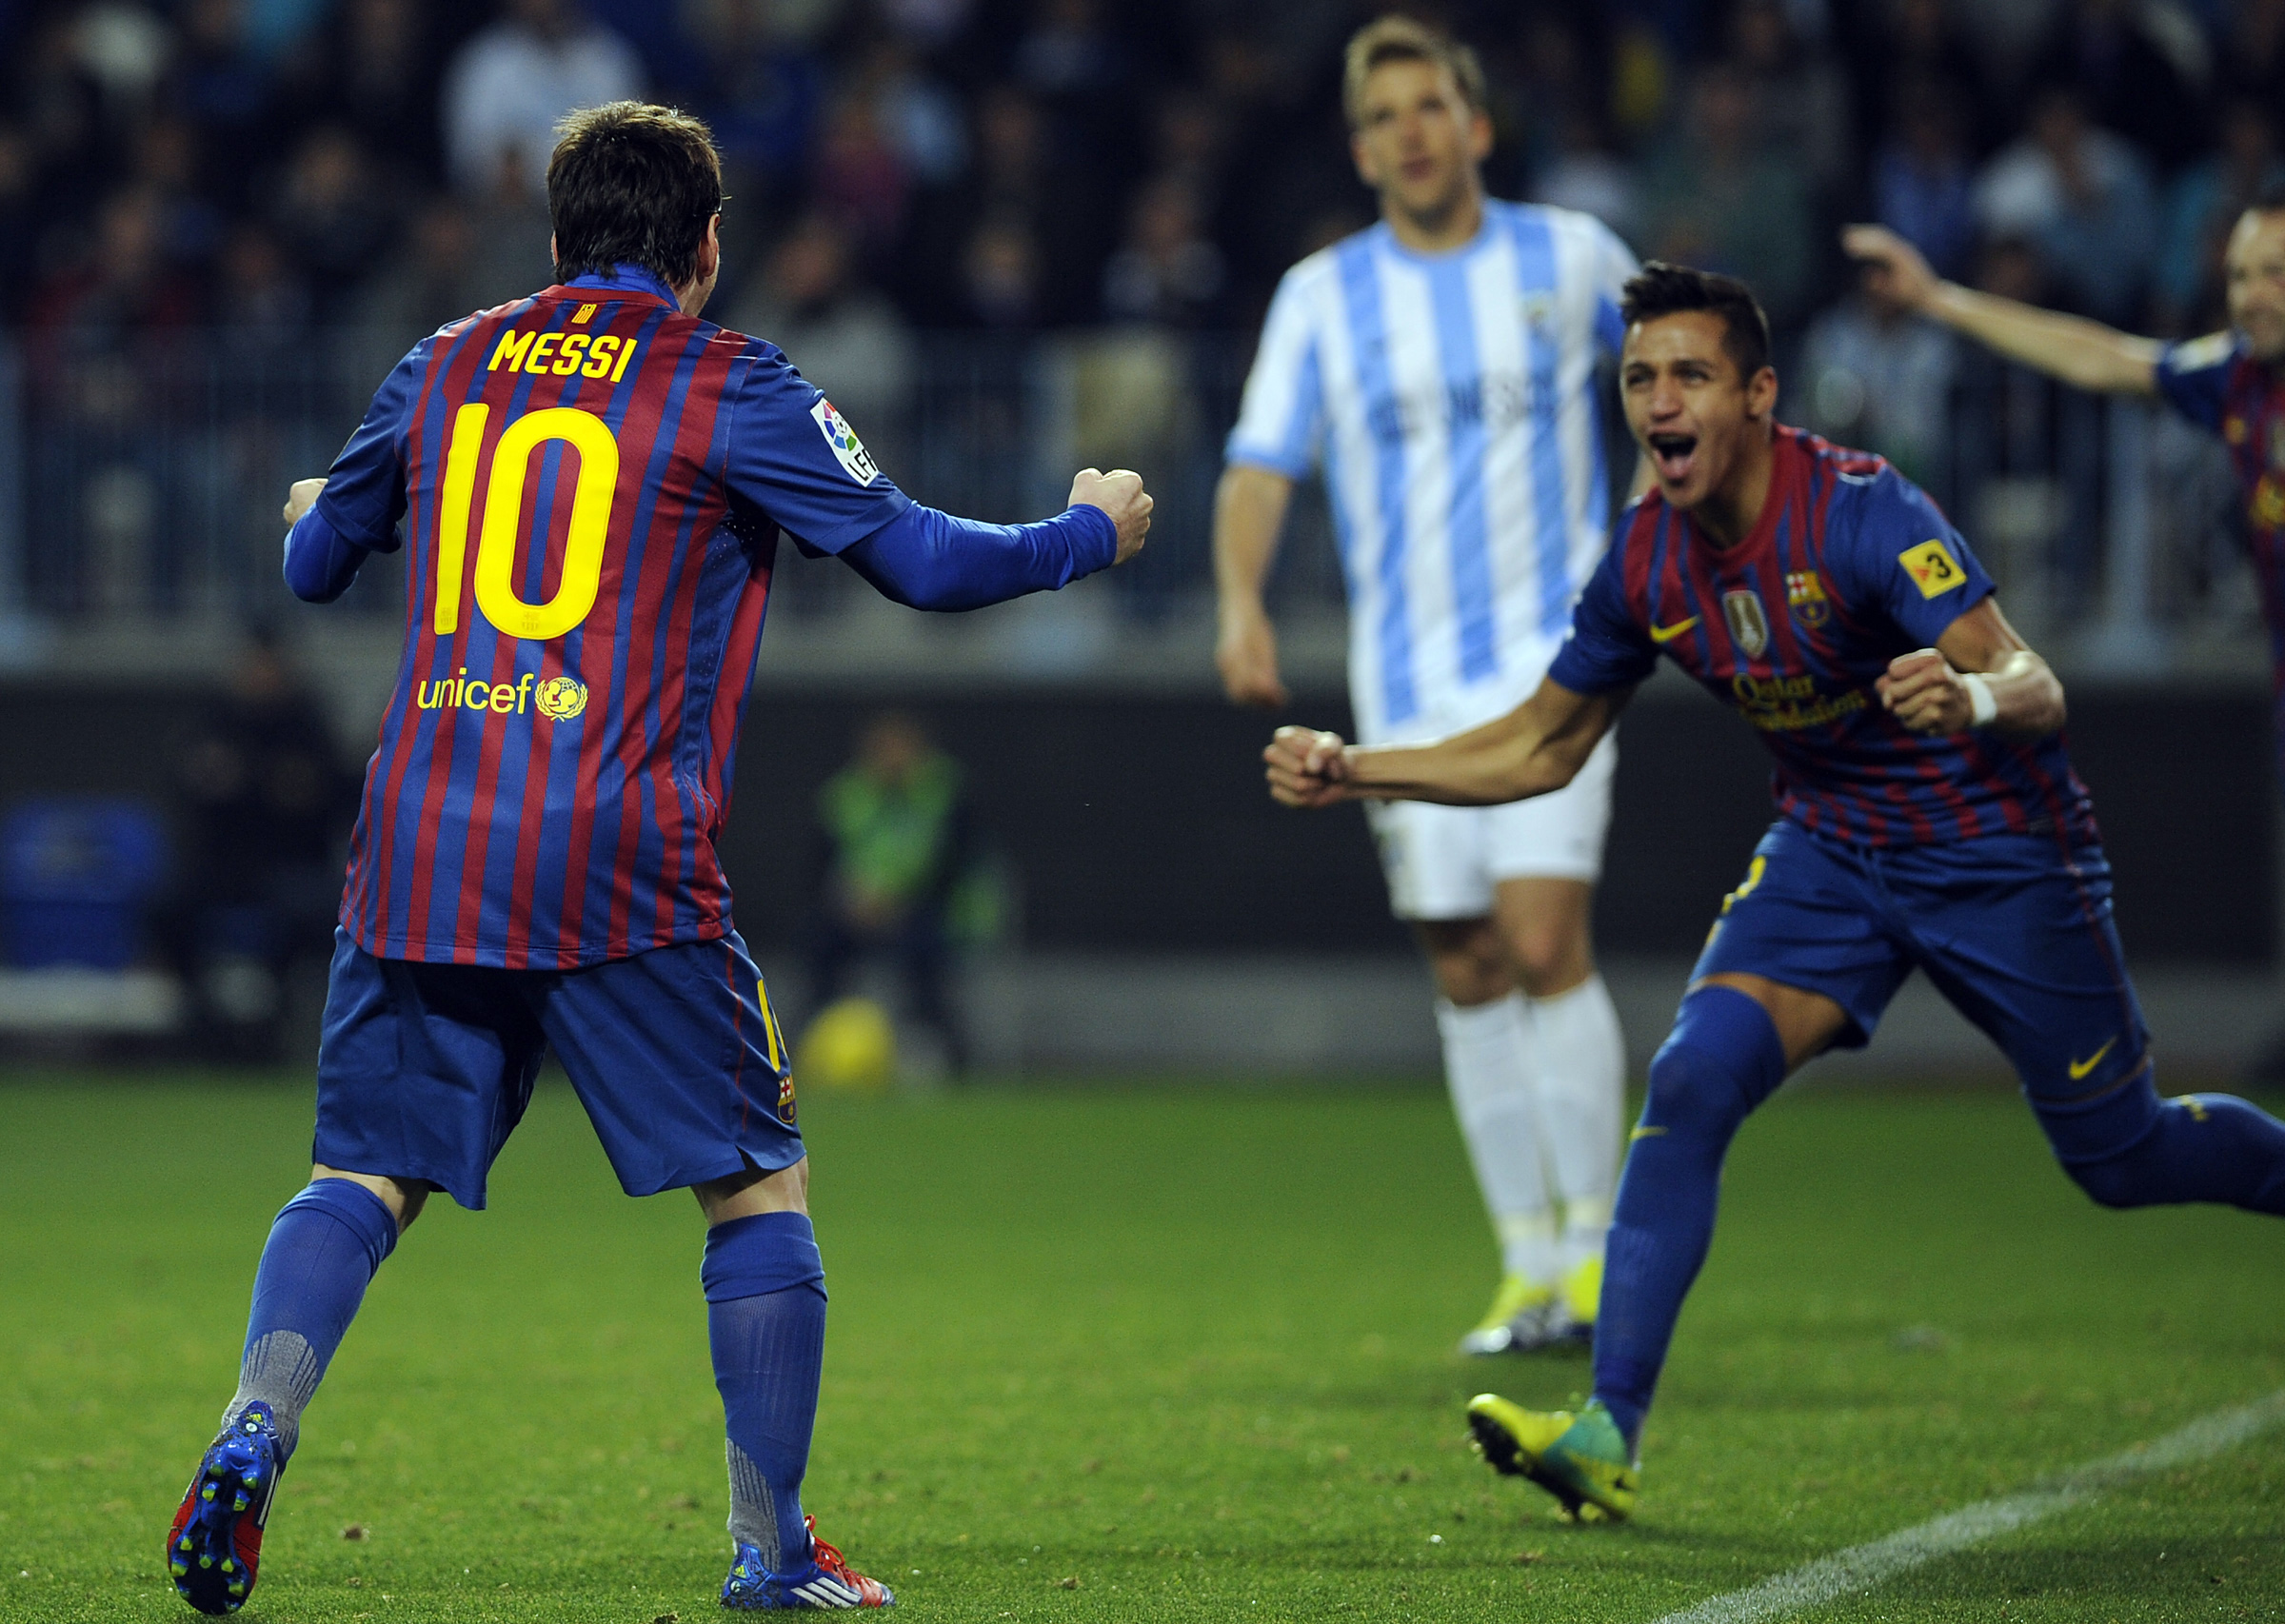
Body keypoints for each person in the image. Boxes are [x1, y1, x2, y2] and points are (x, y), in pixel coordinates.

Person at [163, 101, 1151, 1616]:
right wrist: (1084, 530)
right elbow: (922, 562)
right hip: (615, 851)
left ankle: (251, 1425)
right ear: (703, 250)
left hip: (423, 841)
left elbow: (310, 565)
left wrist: (328, 509)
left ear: (555, 239)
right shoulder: (730, 379)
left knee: (361, 1172)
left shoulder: (442, 360)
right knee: (760, 1187)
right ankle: (768, 1547)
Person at [1262, 263, 2285, 1523]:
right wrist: (1361, 769)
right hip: (1834, 851)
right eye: (1641, 377)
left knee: (2125, 1158)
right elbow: (1543, 742)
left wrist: (1963, 692)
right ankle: (1604, 1429)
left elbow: (2036, 685)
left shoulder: (1860, 510)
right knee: (1692, 1079)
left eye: (1689, 374)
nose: (1660, 401)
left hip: (1999, 852)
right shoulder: (1644, 557)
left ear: (1756, 394)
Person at [1214, 13, 1639, 1357]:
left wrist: (1649, 557)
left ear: (1477, 124)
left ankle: (1594, 1252)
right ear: (1361, 147)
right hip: (1404, 682)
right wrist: (1239, 601)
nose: (1411, 130)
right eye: (1387, 113)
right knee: (1464, 961)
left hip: (1557, 660)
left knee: (1541, 933)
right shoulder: (1325, 294)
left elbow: (1668, 390)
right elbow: (1260, 463)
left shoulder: (1571, 257)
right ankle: (1526, 1267)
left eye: (1431, 105)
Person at [1846, 201, 2285, 1073]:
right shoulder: (2237, 379)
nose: (2251, 295)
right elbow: (2103, 358)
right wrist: (1941, 301)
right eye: (2239, 275)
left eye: (2275, 273)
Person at [805, 712, 978, 1072]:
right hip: (857, 912)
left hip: (926, 911)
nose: (892, 757)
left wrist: (900, 902)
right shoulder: (847, 794)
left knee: (926, 954)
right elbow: (820, 864)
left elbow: (958, 865)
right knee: (817, 942)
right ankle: (812, 1039)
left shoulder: (945, 792)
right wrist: (854, 901)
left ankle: (946, 1055)